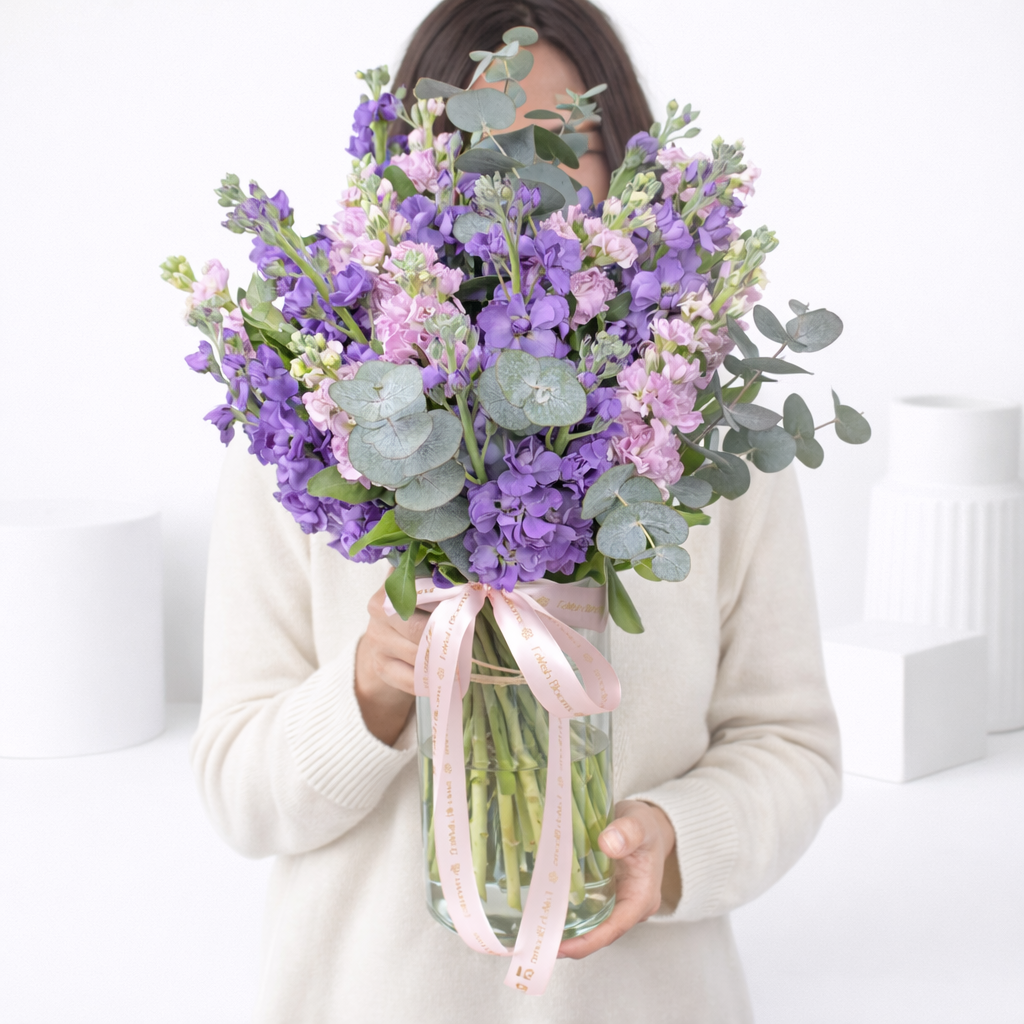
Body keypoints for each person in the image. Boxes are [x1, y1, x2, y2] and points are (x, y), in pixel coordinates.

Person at [191, 1, 842, 1020]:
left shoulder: (706, 433)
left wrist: (674, 842)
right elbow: (235, 790)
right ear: (410, 174)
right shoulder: (311, 429)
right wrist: (366, 694)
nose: (521, 186)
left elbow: (791, 747)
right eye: (479, 148)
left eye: (565, 146)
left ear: (627, 171)